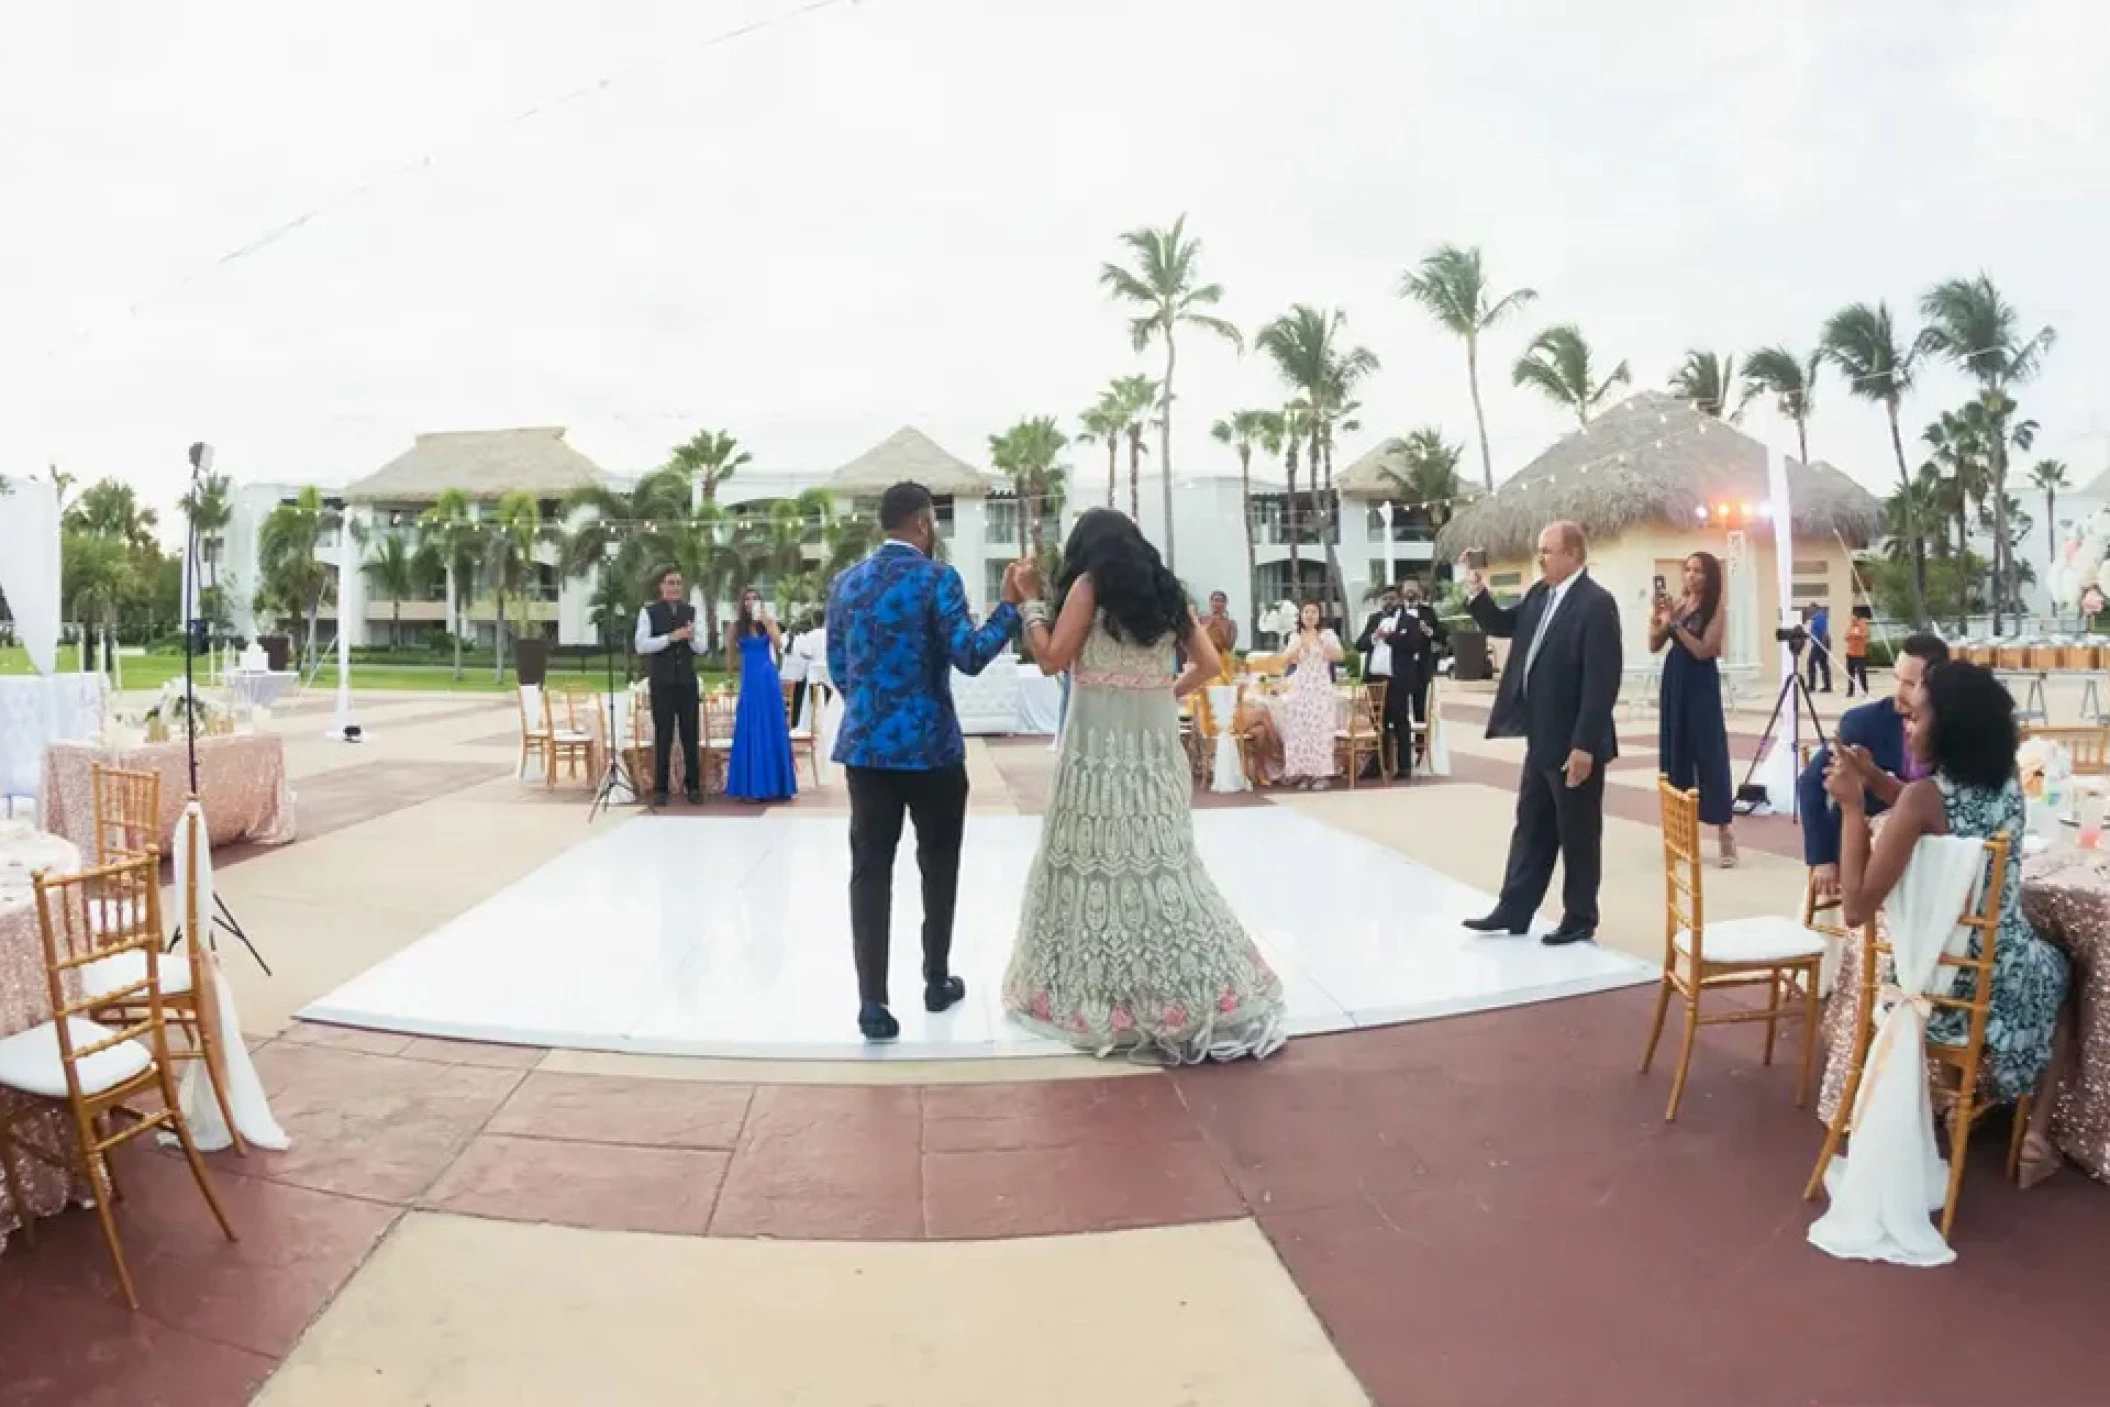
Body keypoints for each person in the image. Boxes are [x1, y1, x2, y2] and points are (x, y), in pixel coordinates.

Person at [1003, 508, 1286, 1062]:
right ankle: (1208, 985)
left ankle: (1106, 994)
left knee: (1096, 863)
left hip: (1098, 755)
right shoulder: (1166, 594)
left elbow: (1051, 659)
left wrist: (1031, 603)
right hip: (1154, 753)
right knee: (1163, 863)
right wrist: (1159, 692)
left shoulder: (1088, 587)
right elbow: (1208, 666)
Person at [1825, 660, 2071, 1188]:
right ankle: (2036, 1138)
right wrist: (1874, 780)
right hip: (2005, 980)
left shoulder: (1923, 800)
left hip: (1935, 993)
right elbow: (1934, 808)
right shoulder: (2005, 781)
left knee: (2050, 963)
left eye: (1915, 718)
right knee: (2064, 971)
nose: (1907, 727)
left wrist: (1850, 806)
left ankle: (1962, 1106)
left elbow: (1855, 908)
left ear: (1950, 727)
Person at [826, 482, 1025, 1041]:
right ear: (921, 522)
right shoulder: (938, 579)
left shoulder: (845, 584)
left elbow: (840, 667)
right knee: (938, 864)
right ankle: (935, 980)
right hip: (931, 748)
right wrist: (1010, 607)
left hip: (866, 750)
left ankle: (872, 1003)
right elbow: (970, 655)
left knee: (869, 871)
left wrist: (873, 709)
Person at [1460, 522, 1621, 944]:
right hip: (1540, 734)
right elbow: (1502, 623)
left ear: (1572, 554)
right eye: (1540, 550)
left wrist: (1585, 745)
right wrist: (1477, 592)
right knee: (1531, 824)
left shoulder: (1596, 603)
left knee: (1577, 832)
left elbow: (1602, 681)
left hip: (1574, 741)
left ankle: (1580, 917)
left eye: (1547, 551)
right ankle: (1514, 908)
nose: (1541, 558)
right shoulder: (1539, 595)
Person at [1798, 633, 1950, 896]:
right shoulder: (1863, 723)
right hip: (1866, 860)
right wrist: (1821, 857)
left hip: (1932, 858)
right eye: (1897, 679)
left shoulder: (1951, 727)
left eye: (1910, 684)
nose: (1899, 692)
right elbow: (1810, 782)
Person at [1650, 552, 1736, 866]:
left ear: (1710, 576)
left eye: (1698, 571)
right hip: (1675, 682)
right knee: (1677, 752)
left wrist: (1676, 626)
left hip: (1701, 685)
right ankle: (1681, 833)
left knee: (1709, 752)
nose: (1691, 576)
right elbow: (1653, 645)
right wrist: (1659, 619)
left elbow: (1704, 650)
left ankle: (1725, 831)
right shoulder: (1681, 606)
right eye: (1687, 570)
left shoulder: (1716, 608)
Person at [633, 565, 705, 806]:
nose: (675, 587)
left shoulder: (692, 611)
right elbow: (642, 645)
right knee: (663, 735)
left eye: (678, 583)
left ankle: (693, 786)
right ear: (661, 586)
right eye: (670, 583)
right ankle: (660, 788)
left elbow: (702, 648)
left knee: (689, 734)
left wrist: (691, 637)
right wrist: (670, 638)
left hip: (686, 681)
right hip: (662, 682)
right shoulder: (649, 612)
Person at [724, 587, 796, 803]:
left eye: (755, 598)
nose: (751, 602)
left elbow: (779, 645)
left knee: (772, 724)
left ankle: (778, 785)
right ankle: (751, 786)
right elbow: (730, 657)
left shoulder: (768, 622)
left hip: (768, 676)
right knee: (751, 725)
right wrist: (731, 677)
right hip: (750, 678)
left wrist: (768, 624)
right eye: (747, 598)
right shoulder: (736, 627)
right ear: (742, 603)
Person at [1277, 601, 1344, 789]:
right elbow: (1287, 659)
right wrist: (1298, 645)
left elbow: (1339, 656)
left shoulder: (1327, 634)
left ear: (1319, 615)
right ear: (1300, 615)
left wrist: (1321, 642)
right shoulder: (1295, 636)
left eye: (1313, 612)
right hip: (1301, 688)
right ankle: (1303, 773)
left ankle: (1321, 774)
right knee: (1300, 731)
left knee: (1320, 730)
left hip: (1320, 687)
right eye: (1306, 612)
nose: (1309, 615)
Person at [1805, 602, 1833, 694]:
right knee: (1823, 665)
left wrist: (1823, 646)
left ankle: (1812, 686)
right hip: (1818, 644)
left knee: (1811, 663)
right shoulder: (1816, 618)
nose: (1809, 610)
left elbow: (1824, 632)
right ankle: (1827, 686)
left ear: (1815, 608)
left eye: (1810, 609)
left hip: (1820, 644)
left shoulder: (1820, 617)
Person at [1842, 610, 1871, 697]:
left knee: (1861, 672)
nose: (1851, 619)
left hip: (1860, 654)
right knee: (1850, 673)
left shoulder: (1863, 625)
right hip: (1850, 653)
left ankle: (1864, 690)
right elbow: (1846, 636)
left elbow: (1865, 635)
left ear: (1857, 618)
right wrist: (1853, 635)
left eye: (1853, 617)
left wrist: (1856, 635)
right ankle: (1850, 691)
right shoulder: (1851, 626)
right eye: (1851, 618)